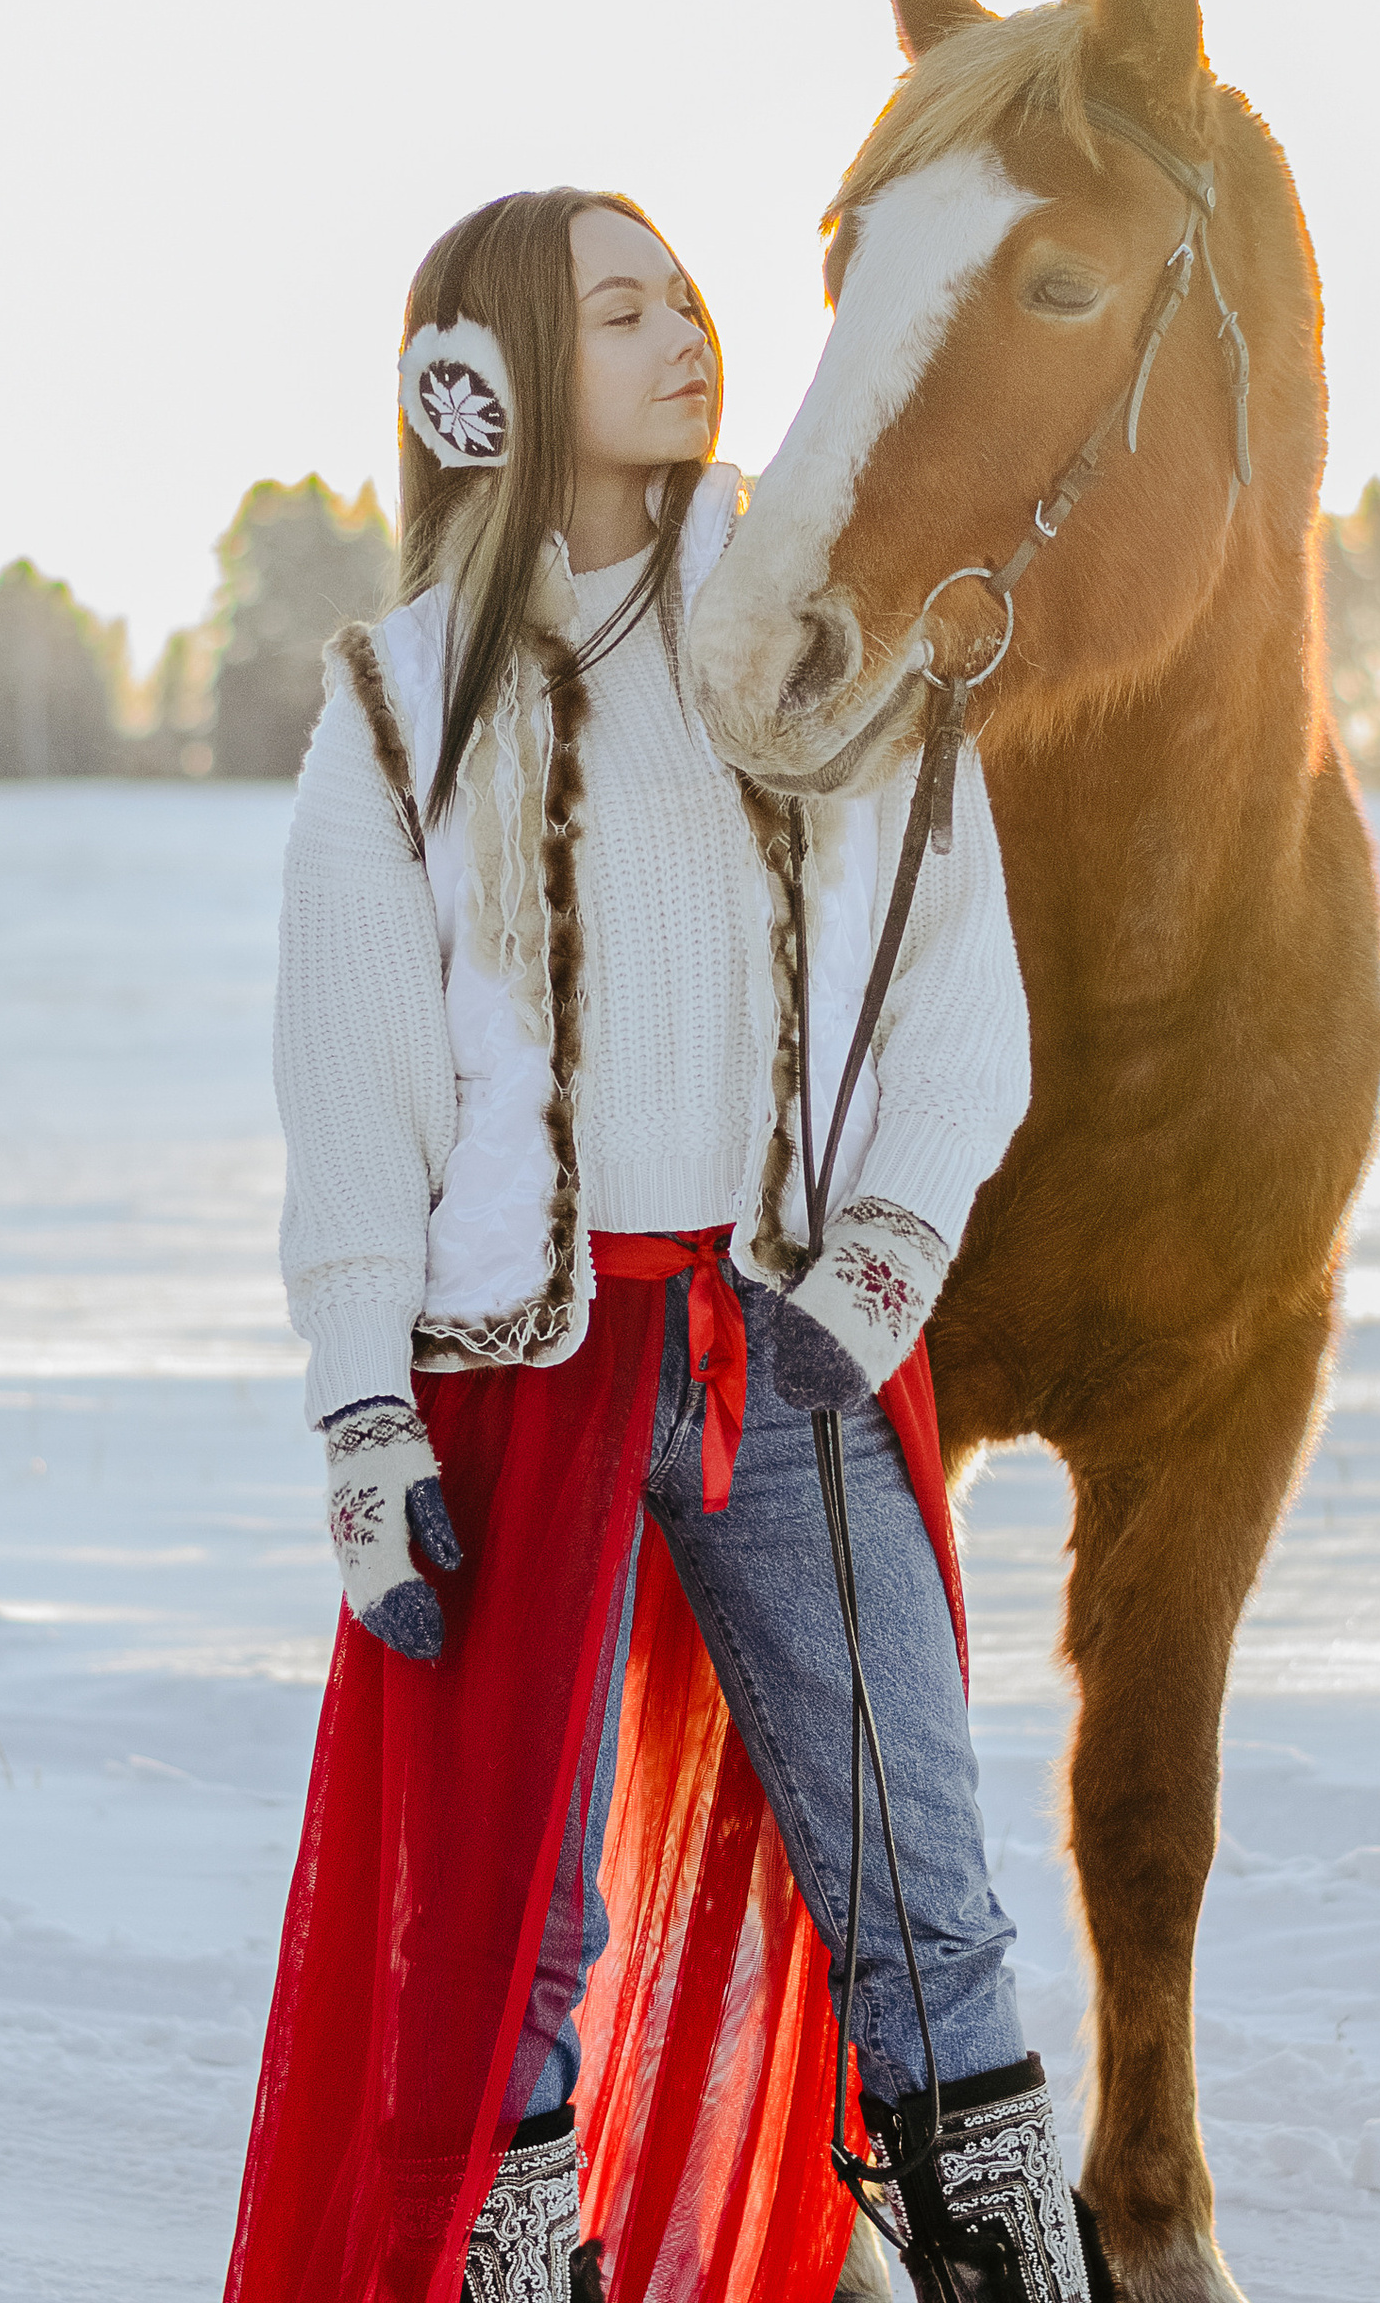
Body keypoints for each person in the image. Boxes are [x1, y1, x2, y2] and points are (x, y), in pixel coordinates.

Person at [224, 188, 1103, 2303]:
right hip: (510, 1374)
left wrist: (876, 1259)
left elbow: (955, 990)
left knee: (919, 1865)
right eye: (619, 309)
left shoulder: (814, 635)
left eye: (682, 296)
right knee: (512, 1917)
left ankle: (1007, 2265)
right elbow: (353, 1097)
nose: (686, 332)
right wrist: (364, 1416)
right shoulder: (396, 699)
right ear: (491, 378)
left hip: (782, 1348)